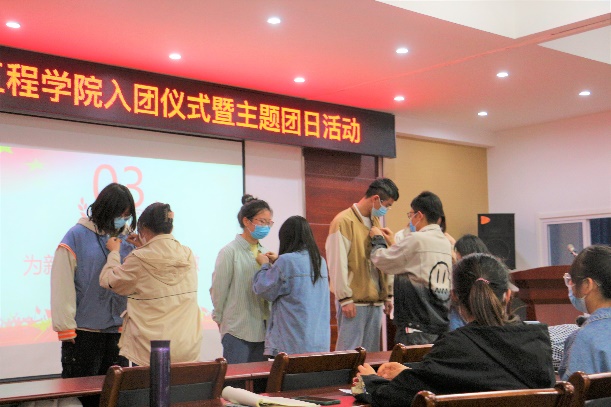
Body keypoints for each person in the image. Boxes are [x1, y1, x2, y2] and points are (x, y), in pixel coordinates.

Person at [356, 253, 555, 407]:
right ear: (508, 295)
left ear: (455, 297)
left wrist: (369, 382)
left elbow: (396, 398)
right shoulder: (538, 341)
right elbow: (488, 378)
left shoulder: (454, 347)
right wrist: (408, 374)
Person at [50, 183, 136, 407]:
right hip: (83, 334)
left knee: (115, 398)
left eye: (127, 216)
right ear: (104, 210)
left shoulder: (128, 240)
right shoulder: (76, 236)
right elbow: (62, 284)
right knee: (83, 399)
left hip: (118, 333)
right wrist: (65, 328)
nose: (123, 221)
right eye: (119, 215)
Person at [99, 202, 202, 366]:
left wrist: (114, 253)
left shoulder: (139, 259)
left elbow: (108, 280)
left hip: (152, 351)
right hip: (187, 348)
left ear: (144, 228)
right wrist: (144, 246)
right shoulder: (187, 254)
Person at [370, 191, 452, 345]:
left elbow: (381, 260)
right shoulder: (445, 242)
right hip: (439, 324)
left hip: (416, 325)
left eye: (411, 215)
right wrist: (393, 242)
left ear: (419, 215)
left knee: (410, 361)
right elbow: (415, 263)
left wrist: (377, 239)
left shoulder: (416, 239)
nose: (411, 219)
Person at [325, 178, 399, 351]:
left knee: (371, 356)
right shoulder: (343, 221)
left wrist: (388, 294)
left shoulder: (375, 221)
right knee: (349, 354)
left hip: (375, 301)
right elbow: (337, 263)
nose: (386, 210)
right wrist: (345, 298)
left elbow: (383, 260)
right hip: (354, 302)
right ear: (375, 199)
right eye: (387, 205)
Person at [253, 215, 330, 356]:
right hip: (319, 343)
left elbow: (263, 289)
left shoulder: (286, 261)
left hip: (292, 343)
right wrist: (278, 262)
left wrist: (264, 265)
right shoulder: (320, 261)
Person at [210, 194, 273, 363]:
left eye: (269, 223)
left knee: (260, 379)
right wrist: (219, 319)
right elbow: (218, 289)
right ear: (246, 221)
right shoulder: (229, 252)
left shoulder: (265, 252)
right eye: (262, 221)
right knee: (237, 377)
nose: (266, 227)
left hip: (262, 330)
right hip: (236, 330)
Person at [559, 245, 611, 380]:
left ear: (587, 284)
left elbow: (575, 391)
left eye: (571, 282)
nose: (571, 288)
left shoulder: (583, 339)